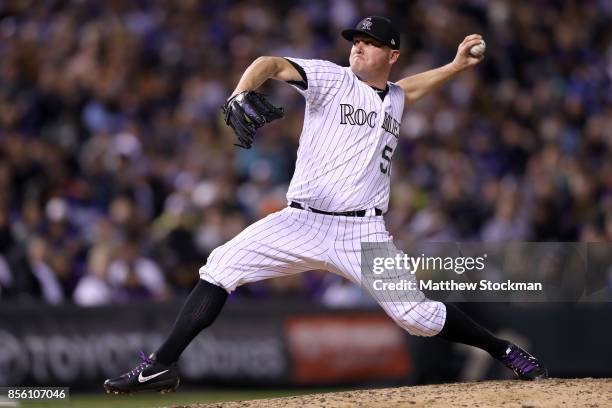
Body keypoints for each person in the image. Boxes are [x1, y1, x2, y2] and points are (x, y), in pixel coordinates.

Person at [104, 16, 547, 394]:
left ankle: (502, 349)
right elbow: (271, 64)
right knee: (221, 265)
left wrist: (453, 66)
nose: (358, 46)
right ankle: (161, 364)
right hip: (301, 220)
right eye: (356, 40)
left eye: (370, 43)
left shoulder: (393, 96)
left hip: (364, 234)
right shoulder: (332, 79)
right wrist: (241, 91)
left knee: (418, 317)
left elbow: (407, 90)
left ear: (392, 55)